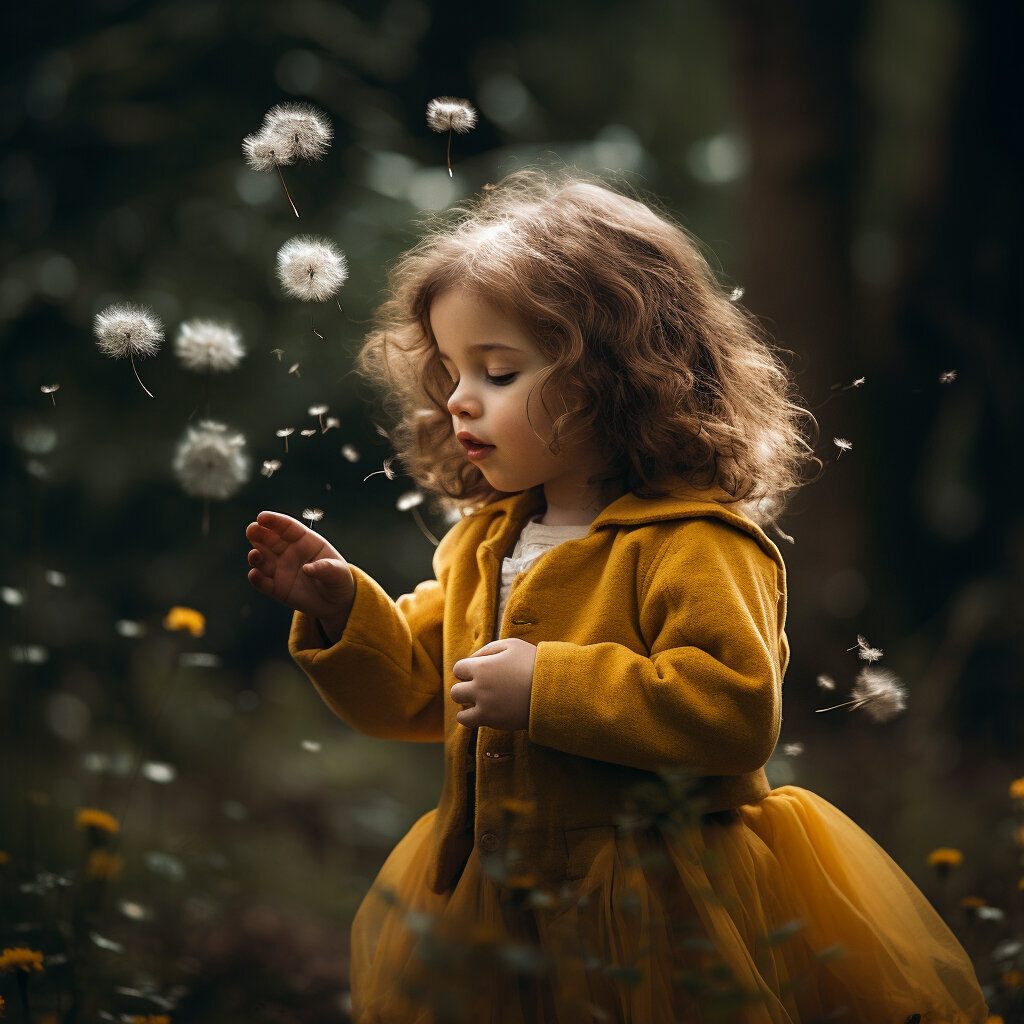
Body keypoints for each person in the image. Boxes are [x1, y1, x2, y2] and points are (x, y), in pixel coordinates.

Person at [244, 170, 987, 1023]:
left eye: (497, 370)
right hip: (495, 904)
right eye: (449, 370)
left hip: (658, 912)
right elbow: (420, 687)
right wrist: (345, 613)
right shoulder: (488, 541)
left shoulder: (693, 542)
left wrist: (546, 687)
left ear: (619, 375)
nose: (456, 397)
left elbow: (735, 710)